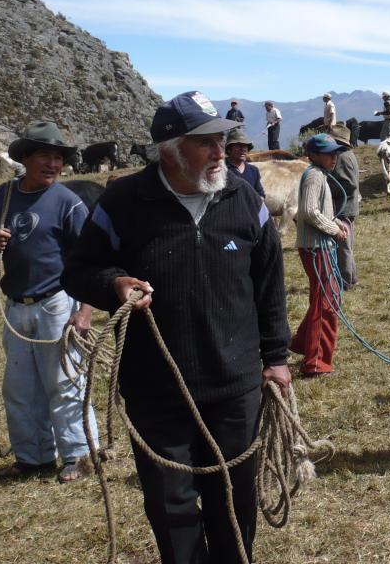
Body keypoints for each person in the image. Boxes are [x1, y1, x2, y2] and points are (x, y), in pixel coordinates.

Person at [61, 91, 289, 564]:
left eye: (221, 140)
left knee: (234, 500)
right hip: (156, 387)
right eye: (205, 142)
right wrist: (114, 283)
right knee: (172, 507)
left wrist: (277, 359)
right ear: (170, 150)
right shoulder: (124, 201)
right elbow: (79, 271)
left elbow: (270, 285)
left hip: (235, 385)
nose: (219, 152)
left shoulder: (243, 198)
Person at [0, 121, 99, 484]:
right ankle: (32, 456)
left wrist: (84, 311)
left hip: (56, 302)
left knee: (64, 381)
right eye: (44, 156)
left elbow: (89, 261)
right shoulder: (2, 197)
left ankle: (77, 455)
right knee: (19, 385)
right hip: (16, 304)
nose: (52, 164)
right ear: (26, 159)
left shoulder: (68, 203)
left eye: (58, 158)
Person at [290, 134, 349, 376]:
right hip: (316, 248)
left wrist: (336, 222)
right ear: (313, 155)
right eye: (328, 153)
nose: (334, 157)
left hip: (318, 246)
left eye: (335, 152)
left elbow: (316, 211)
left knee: (323, 298)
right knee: (327, 301)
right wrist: (334, 229)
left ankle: (302, 344)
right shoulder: (314, 175)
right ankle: (316, 363)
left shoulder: (319, 174)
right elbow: (309, 212)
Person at [328, 124, 361, 289]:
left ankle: (345, 282)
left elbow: (349, 185)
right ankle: (351, 278)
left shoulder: (342, 157)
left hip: (343, 208)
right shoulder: (348, 154)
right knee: (346, 246)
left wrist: (326, 187)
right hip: (348, 207)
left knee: (343, 247)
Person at [225, 126, 265, 198]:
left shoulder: (253, 171)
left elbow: (260, 194)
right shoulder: (222, 170)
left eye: (245, 146)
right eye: (238, 145)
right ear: (229, 149)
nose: (243, 149)